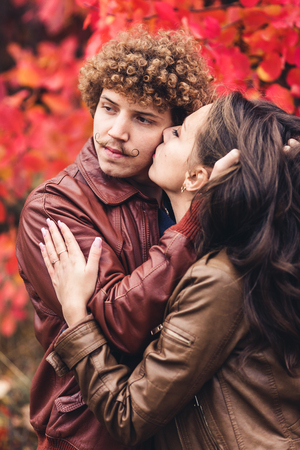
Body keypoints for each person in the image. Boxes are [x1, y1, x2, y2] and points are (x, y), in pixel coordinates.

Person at [41, 92, 300, 449]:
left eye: (177, 132)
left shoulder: (220, 277)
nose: (165, 134)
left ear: (195, 176)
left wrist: (76, 315)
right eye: (109, 107)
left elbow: (128, 415)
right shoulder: (242, 251)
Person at [16, 28, 215, 450]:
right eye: (109, 108)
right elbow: (121, 327)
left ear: (173, 129)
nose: (116, 132)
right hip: (92, 435)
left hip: (183, 429)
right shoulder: (54, 208)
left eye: (143, 118)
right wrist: (192, 226)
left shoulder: (181, 189)